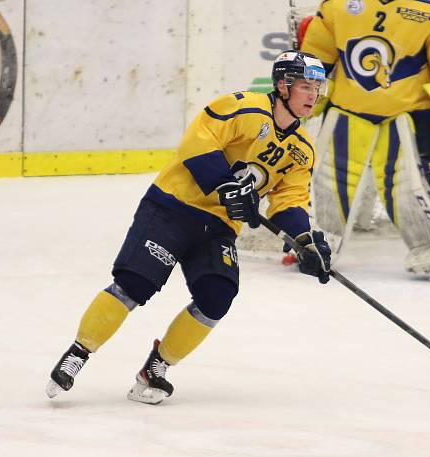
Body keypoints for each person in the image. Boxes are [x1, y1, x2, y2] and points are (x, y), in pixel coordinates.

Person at [46, 51, 333, 405]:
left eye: (317, 87)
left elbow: (290, 200)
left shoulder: (302, 149)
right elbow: (198, 141)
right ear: (282, 85)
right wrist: (226, 185)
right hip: (173, 206)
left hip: (218, 227)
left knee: (217, 296)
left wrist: (304, 240)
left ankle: (155, 369)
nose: (312, 95)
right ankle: (79, 352)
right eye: (305, 86)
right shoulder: (243, 107)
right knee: (134, 284)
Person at [299, 0, 430, 277]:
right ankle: (321, 244)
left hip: (405, 116)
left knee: (407, 186)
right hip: (348, 112)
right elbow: (317, 55)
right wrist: (303, 87)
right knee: (330, 181)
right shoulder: (337, 4)